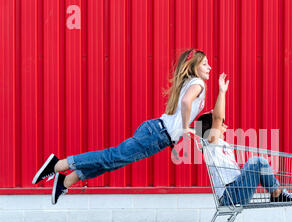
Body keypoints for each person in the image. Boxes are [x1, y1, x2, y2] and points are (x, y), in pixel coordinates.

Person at [33, 49, 215, 204]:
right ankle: (57, 164)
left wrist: (178, 133)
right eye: (205, 64)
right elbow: (185, 102)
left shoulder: (189, 82)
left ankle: (65, 182)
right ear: (194, 67)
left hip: (157, 134)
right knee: (112, 157)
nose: (210, 68)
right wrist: (184, 127)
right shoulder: (199, 84)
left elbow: (182, 108)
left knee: (113, 161)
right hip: (157, 134)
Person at [195, 74, 292, 207]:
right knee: (257, 162)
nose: (226, 126)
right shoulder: (210, 144)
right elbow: (217, 118)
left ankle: (277, 193)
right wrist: (222, 92)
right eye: (223, 124)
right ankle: (277, 194)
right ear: (212, 129)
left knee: (257, 163)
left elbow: (217, 118)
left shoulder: (221, 145)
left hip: (236, 191)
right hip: (231, 194)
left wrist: (213, 115)